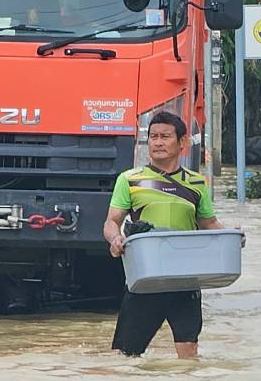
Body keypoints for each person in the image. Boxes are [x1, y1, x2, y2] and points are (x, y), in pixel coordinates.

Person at [103, 111, 243, 359]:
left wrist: (232, 236)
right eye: (153, 137)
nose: (157, 142)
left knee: (188, 356)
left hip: (185, 280)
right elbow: (112, 221)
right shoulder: (130, 179)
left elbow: (208, 222)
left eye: (165, 136)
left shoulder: (197, 183)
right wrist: (115, 239)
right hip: (145, 280)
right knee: (124, 357)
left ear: (182, 143)